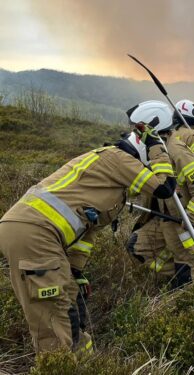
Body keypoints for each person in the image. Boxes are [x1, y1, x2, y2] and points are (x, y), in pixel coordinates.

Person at [0, 103, 177, 354]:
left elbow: (87, 229)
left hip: (37, 233)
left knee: (71, 303)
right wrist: (157, 148)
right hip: (35, 233)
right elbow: (164, 187)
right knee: (53, 317)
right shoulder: (118, 159)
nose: (167, 151)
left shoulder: (113, 175)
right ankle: (57, 367)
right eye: (165, 140)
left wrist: (75, 270)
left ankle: (82, 362)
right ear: (146, 139)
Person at [126, 100, 194, 289]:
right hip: (171, 218)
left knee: (191, 265)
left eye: (138, 129)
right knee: (138, 247)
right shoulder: (158, 150)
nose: (136, 134)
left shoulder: (175, 151)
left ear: (153, 126)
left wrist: (191, 218)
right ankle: (183, 280)